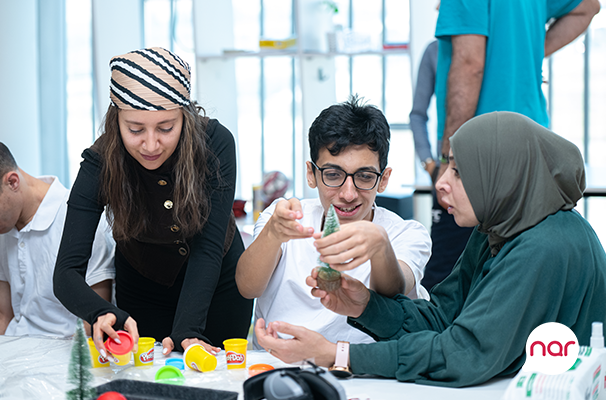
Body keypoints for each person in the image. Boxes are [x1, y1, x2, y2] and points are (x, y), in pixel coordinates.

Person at [254, 111, 606, 387]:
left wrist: (337, 354)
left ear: (503, 176)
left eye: (459, 172)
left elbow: (464, 353)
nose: (441, 183)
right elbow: (443, 317)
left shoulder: (545, 245)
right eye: (446, 166)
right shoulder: (497, 229)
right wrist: (366, 306)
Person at [53, 47, 253, 358]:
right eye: (135, 129)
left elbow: (208, 246)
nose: (150, 145)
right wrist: (101, 312)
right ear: (116, 121)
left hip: (216, 284)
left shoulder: (215, 143)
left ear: (185, 117)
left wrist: (188, 328)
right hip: (142, 288)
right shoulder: (99, 162)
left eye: (165, 128)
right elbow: (66, 273)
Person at [236, 96, 431, 349]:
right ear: (311, 174)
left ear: (383, 179)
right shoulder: (284, 217)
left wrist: (380, 245)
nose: (348, 194)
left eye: (364, 176)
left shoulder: (406, 233)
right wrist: (273, 234)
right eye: (333, 175)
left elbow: (395, 294)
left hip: (363, 366)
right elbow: (247, 288)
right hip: (277, 362)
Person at [0, 137, 114, 337]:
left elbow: (94, 323)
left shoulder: (80, 221)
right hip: (14, 349)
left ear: (12, 182)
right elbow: (0, 317)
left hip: (67, 349)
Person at [435, 0, 600, 170]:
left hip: (481, 147)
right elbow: (588, 7)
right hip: (533, 138)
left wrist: (449, 159)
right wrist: (529, 55)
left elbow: (469, 66)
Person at [410, 39, 473, 292]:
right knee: (441, 271)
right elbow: (417, 114)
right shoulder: (435, 51)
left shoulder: (503, 46)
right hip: (450, 171)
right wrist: (431, 164)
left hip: (491, 175)